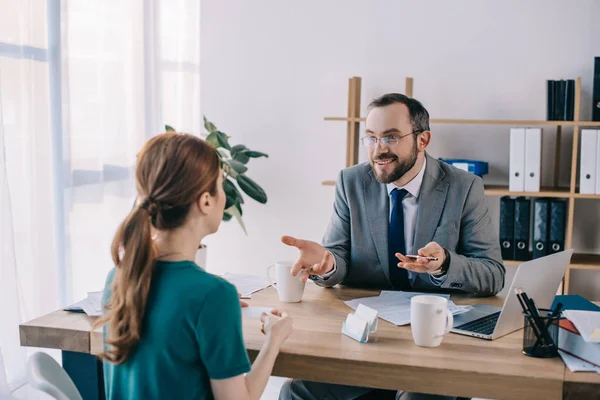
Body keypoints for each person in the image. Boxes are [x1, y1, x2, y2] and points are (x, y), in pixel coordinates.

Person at [280, 93, 505, 400]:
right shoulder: (351, 182)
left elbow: (492, 274)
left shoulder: (464, 187)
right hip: (367, 337)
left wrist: (444, 265)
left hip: (433, 343)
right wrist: (328, 262)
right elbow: (339, 257)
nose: (379, 149)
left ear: (423, 140)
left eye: (390, 137)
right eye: (371, 138)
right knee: (296, 390)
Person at [95, 133, 293, 400]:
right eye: (221, 186)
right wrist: (273, 341)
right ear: (206, 201)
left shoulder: (118, 277)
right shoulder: (212, 295)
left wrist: (212, 308)